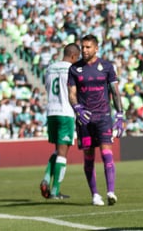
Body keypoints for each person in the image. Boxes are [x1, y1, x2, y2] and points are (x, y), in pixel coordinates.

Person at [68, 34, 125, 206]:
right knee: (89, 156)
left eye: (87, 47)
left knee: (107, 152)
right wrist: (77, 108)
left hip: (103, 117)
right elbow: (72, 94)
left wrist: (120, 114)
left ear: (96, 48)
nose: (84, 50)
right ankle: (95, 194)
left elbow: (115, 91)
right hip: (85, 119)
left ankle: (111, 192)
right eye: (82, 47)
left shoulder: (107, 67)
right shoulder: (74, 69)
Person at [39, 43, 81, 199]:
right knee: (63, 153)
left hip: (51, 112)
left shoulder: (49, 68)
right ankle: (55, 191)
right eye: (77, 58)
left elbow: (47, 87)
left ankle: (45, 179)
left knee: (57, 150)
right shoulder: (72, 70)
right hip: (65, 112)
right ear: (72, 56)